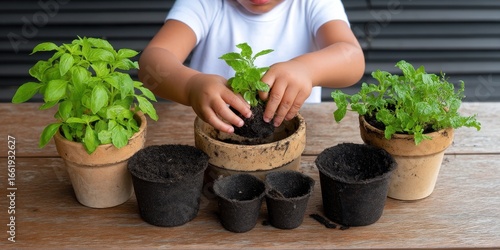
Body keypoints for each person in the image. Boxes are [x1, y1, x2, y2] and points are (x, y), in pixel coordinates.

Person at [138, 0, 365, 134]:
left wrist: (308, 69)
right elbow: (152, 64)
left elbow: (352, 57)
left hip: (291, 137)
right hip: (215, 135)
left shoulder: (314, 3)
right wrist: (190, 85)